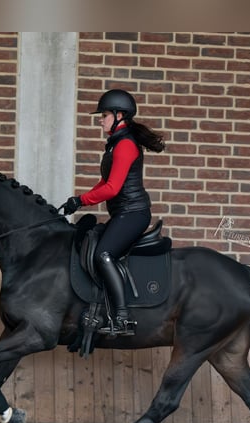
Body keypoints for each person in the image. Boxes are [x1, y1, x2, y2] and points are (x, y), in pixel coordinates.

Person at [61, 89, 165, 336]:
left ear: (120, 115)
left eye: (104, 114)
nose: (100, 119)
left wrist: (82, 199)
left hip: (134, 214)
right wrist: (78, 201)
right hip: (124, 213)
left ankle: (122, 317)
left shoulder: (125, 145)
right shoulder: (117, 144)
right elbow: (104, 182)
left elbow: (112, 188)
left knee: (103, 254)